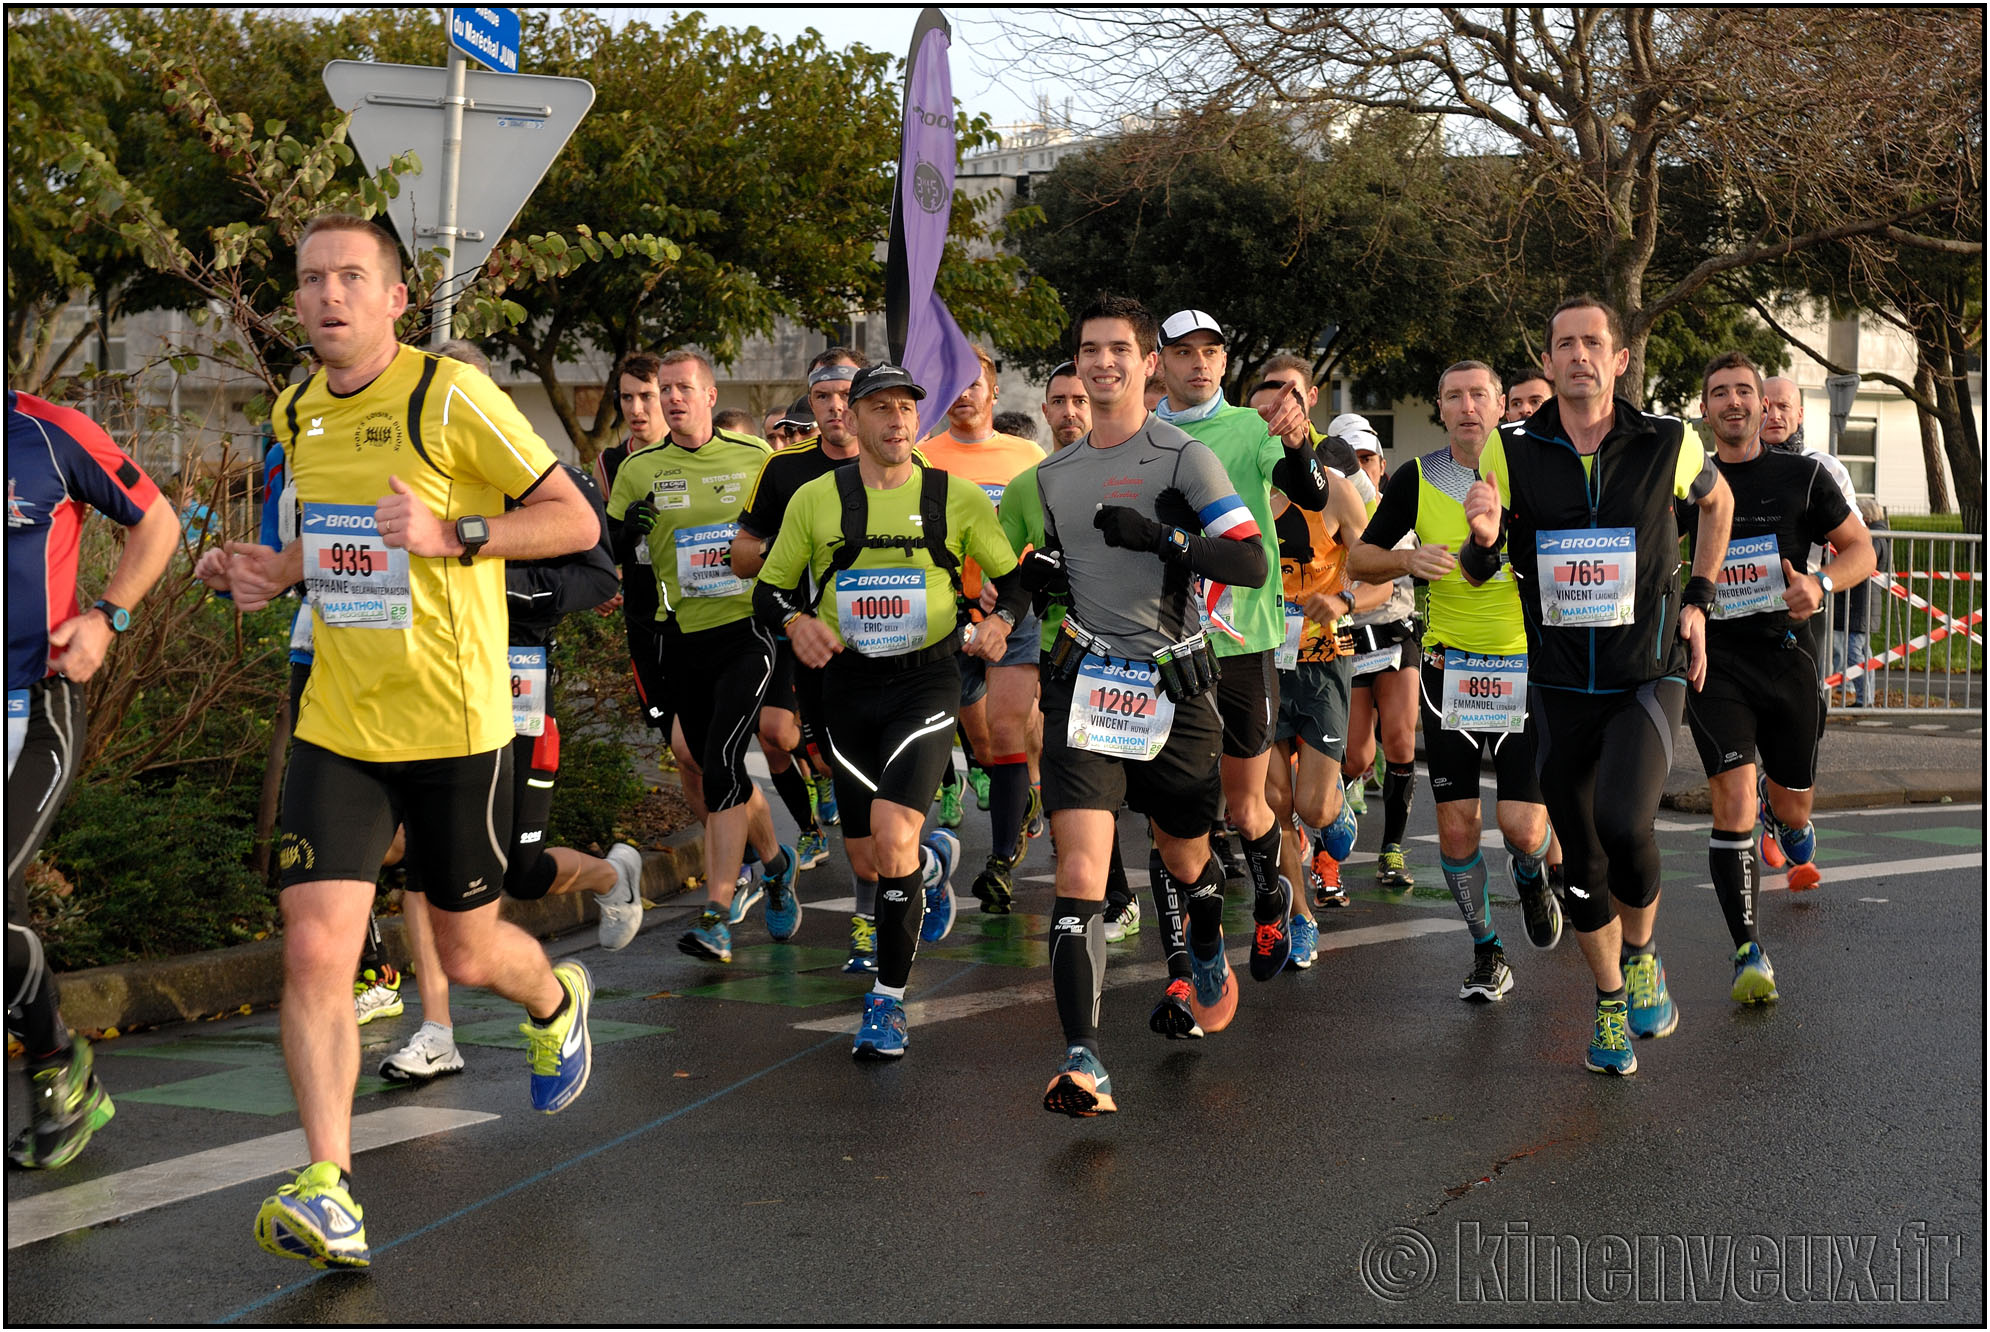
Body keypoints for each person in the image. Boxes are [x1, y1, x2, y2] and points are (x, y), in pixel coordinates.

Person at [198, 212, 602, 1267]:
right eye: (310, 279)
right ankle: (330, 1185)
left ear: (394, 299)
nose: (327, 296)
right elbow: (322, 540)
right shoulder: (296, 408)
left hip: (457, 722)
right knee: (316, 947)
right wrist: (269, 571)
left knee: (467, 953)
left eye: (350, 277)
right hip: (341, 718)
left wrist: (454, 532)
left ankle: (557, 997)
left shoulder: (448, 395)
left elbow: (574, 522)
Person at [1464, 296, 1733, 1076]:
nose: (1578, 355)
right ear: (1547, 363)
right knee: (1577, 859)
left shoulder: (1668, 441)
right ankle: (1611, 999)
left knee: (1623, 820)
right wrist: (1484, 539)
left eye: (1593, 343)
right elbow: (1482, 566)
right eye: (1563, 344)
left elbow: (1717, 503)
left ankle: (1644, 954)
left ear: (1619, 360)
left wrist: (1700, 597)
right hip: (1555, 683)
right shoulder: (1510, 451)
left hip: (1645, 673)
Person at [378, 340, 644, 1081]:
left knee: (521, 873)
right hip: (424, 690)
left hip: (516, 687)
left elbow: (597, 574)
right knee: (420, 865)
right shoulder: (404, 475)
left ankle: (610, 877)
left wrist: (501, 590)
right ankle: (436, 1030)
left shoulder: (530, 471)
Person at [1030, 295, 1269, 1113]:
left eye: (1119, 350)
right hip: (1085, 686)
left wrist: (1162, 538)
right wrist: (1038, 580)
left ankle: (1206, 941)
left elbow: (1248, 565)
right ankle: (1082, 1059)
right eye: (1090, 350)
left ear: (1146, 363)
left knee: (1185, 859)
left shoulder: (1183, 456)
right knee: (1080, 871)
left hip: (1175, 686)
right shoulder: (1051, 475)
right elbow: (1060, 571)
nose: (1103, 364)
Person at [754, 363, 1026, 1059]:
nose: (897, 420)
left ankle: (887, 1001)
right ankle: (930, 870)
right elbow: (769, 591)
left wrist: (999, 624)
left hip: (925, 682)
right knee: (874, 856)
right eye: (881, 408)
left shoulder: (955, 497)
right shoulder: (816, 499)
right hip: (843, 688)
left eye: (906, 407)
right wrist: (795, 625)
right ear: (852, 415)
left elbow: (1015, 582)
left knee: (890, 836)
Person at [1350, 362, 1564, 1006]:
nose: (1468, 406)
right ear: (1439, 409)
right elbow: (1359, 557)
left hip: (1527, 668)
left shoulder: (1538, 471)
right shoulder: (1418, 478)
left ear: (1503, 404)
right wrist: (1406, 559)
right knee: (1456, 831)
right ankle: (1487, 952)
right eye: (1453, 397)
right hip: (1451, 674)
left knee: (1526, 828)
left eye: (1480, 395)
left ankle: (1531, 870)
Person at [6, 391, 178, 1169]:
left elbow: (158, 521)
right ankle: (56, 1065)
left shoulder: (50, 432)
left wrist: (109, 616)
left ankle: (53, 1066)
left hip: (32, 706)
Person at [1687, 351, 1873, 1002]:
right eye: (1721, 393)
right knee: (1731, 802)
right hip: (1716, 663)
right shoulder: (1688, 485)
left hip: (1787, 655)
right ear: (1705, 408)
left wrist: (1820, 583)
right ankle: (1746, 951)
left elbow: (1861, 551)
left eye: (1746, 392)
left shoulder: (1803, 476)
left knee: (1794, 812)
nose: (1735, 402)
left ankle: (1783, 812)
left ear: (1764, 408)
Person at [1151, 309, 1328, 982]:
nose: (1199, 363)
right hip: (1164, 644)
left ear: (1224, 364)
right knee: (1171, 813)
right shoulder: (1144, 435)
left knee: (1245, 805)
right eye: (1184, 352)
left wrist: (1300, 445)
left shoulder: (1254, 428)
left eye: (1211, 352)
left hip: (1242, 641)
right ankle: (1185, 958)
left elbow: (1307, 491)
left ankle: (1268, 904)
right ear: (1159, 362)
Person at [605, 349, 797, 964]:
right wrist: (626, 531)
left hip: (748, 631)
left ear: (711, 395)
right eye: (664, 390)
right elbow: (607, 550)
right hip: (680, 635)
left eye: (683, 388)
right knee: (694, 756)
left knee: (718, 761)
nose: (671, 399)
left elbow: (795, 532)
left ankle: (717, 912)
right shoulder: (639, 470)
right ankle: (774, 861)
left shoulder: (756, 459)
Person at [731, 349, 870, 965]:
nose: (837, 408)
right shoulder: (785, 471)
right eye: (823, 398)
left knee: (871, 768)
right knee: (783, 737)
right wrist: (796, 562)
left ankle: (899, 877)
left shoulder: (903, 461)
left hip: (888, 646)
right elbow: (741, 554)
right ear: (811, 406)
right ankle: (816, 832)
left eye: (847, 394)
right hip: (803, 637)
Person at [1244, 383, 1386, 968]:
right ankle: (1299, 914)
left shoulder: (1333, 491)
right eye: (1259, 415)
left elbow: (1382, 576)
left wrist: (1345, 600)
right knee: (1273, 802)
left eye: (1282, 411)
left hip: (1327, 655)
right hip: (1258, 661)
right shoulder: (1232, 492)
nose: (1272, 422)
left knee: (1315, 808)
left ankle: (1337, 811)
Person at [919, 346, 1049, 914]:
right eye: (951, 384)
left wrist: (1014, 585)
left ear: (994, 393)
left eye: (974, 384)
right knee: (976, 741)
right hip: (944, 618)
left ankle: (999, 865)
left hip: (1012, 613)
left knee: (1006, 733)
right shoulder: (921, 456)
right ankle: (1015, 806)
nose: (964, 393)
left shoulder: (1027, 455)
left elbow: (1045, 539)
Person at [1333, 412, 1421, 885]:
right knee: (1357, 758)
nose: (1359, 469)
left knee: (1403, 741)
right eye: (1349, 460)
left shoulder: (1400, 504)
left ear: (1381, 464)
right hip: (1347, 637)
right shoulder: (1329, 511)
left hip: (1394, 634)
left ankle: (1392, 849)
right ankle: (1334, 804)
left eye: (1366, 459)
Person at [594, 353, 677, 742]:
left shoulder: (697, 453)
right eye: (627, 398)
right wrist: (604, 577)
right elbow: (600, 543)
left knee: (699, 743)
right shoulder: (609, 462)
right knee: (669, 734)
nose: (636, 408)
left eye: (646, 395)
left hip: (699, 613)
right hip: (643, 617)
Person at [1836, 497, 1887, 705]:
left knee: (1854, 652)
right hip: (1865, 602)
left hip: (1862, 602)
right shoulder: (1880, 534)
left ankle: (1863, 699)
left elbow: (1862, 561)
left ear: (1864, 518)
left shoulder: (1873, 538)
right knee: (1864, 653)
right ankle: (1866, 697)